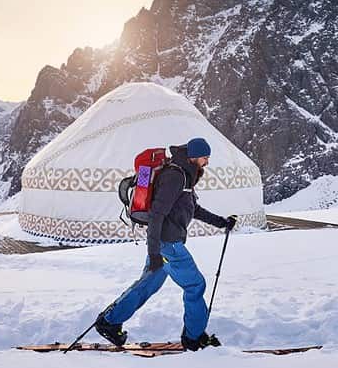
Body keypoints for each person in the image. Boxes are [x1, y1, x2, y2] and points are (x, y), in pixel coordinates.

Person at [95, 137, 236, 351]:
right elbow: (157, 215)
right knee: (195, 285)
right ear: (194, 156)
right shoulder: (176, 176)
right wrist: (153, 253)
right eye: (205, 158)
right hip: (168, 244)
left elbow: (192, 209)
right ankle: (194, 337)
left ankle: (110, 322)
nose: (207, 162)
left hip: (164, 242)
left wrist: (221, 222)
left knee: (148, 284)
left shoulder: (184, 175)